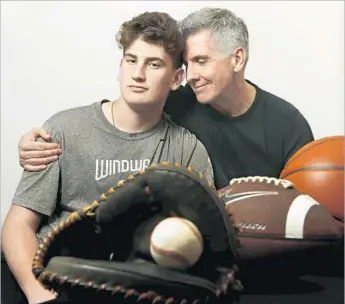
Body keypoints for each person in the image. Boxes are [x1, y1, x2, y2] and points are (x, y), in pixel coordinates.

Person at [1, 11, 214, 304]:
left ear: (177, 78)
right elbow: (18, 224)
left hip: (139, 285)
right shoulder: (64, 130)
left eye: (153, 64)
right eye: (131, 60)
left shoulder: (187, 149)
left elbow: (199, 238)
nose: (138, 74)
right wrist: (36, 290)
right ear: (120, 65)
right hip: (55, 278)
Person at [18, 7, 314, 189]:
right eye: (186, 64)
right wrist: (40, 140)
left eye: (202, 60)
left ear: (237, 59)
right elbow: (119, 112)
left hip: (268, 254)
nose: (191, 74)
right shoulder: (176, 100)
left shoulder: (287, 124)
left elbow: (311, 208)